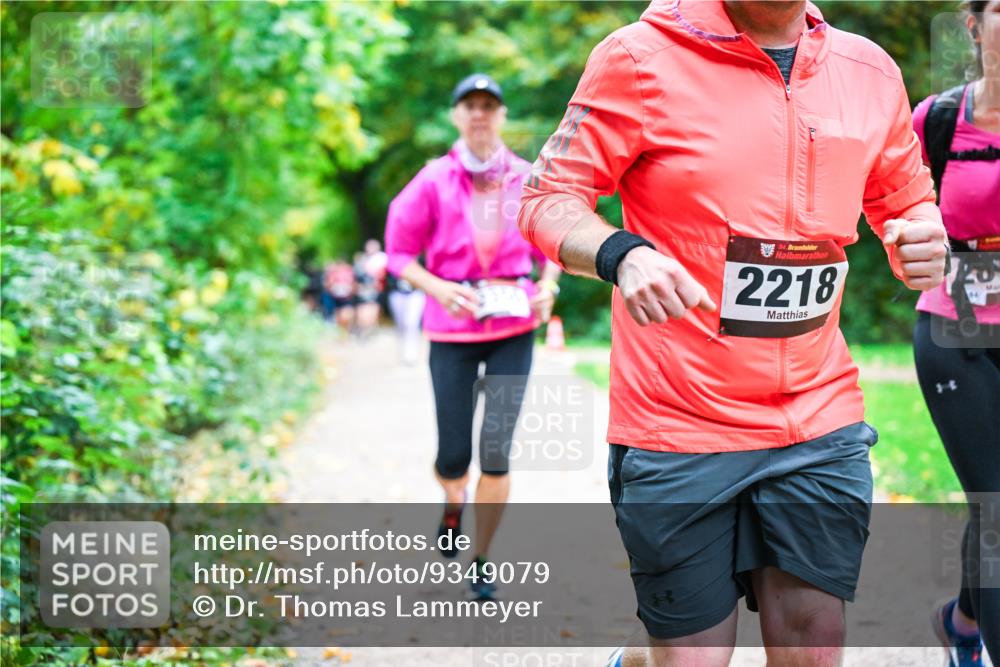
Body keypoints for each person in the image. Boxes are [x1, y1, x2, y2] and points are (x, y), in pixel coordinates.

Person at [518, 1, 948, 665]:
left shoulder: (869, 71)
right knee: (691, 657)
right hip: (679, 417)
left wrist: (920, 236)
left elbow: (907, 199)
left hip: (817, 413)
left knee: (813, 640)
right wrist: (622, 254)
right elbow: (547, 197)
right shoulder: (638, 58)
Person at [385, 73, 562, 600]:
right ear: (456, 116)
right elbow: (399, 254)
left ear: (502, 115)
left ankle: (482, 558)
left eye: (489, 105)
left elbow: (553, 242)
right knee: (453, 455)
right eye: (470, 105)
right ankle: (453, 500)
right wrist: (437, 288)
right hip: (452, 329)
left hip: (513, 326)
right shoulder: (432, 180)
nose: (480, 113)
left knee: (497, 451)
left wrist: (548, 287)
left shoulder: (528, 177)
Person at [911, 2, 1000, 665]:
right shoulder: (937, 120)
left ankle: (964, 622)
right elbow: (893, 208)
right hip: (956, 328)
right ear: (974, 25)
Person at [387, 272, 426, 365]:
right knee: (401, 325)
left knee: (412, 323)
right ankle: (402, 349)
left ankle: (411, 352)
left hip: (415, 293)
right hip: (397, 292)